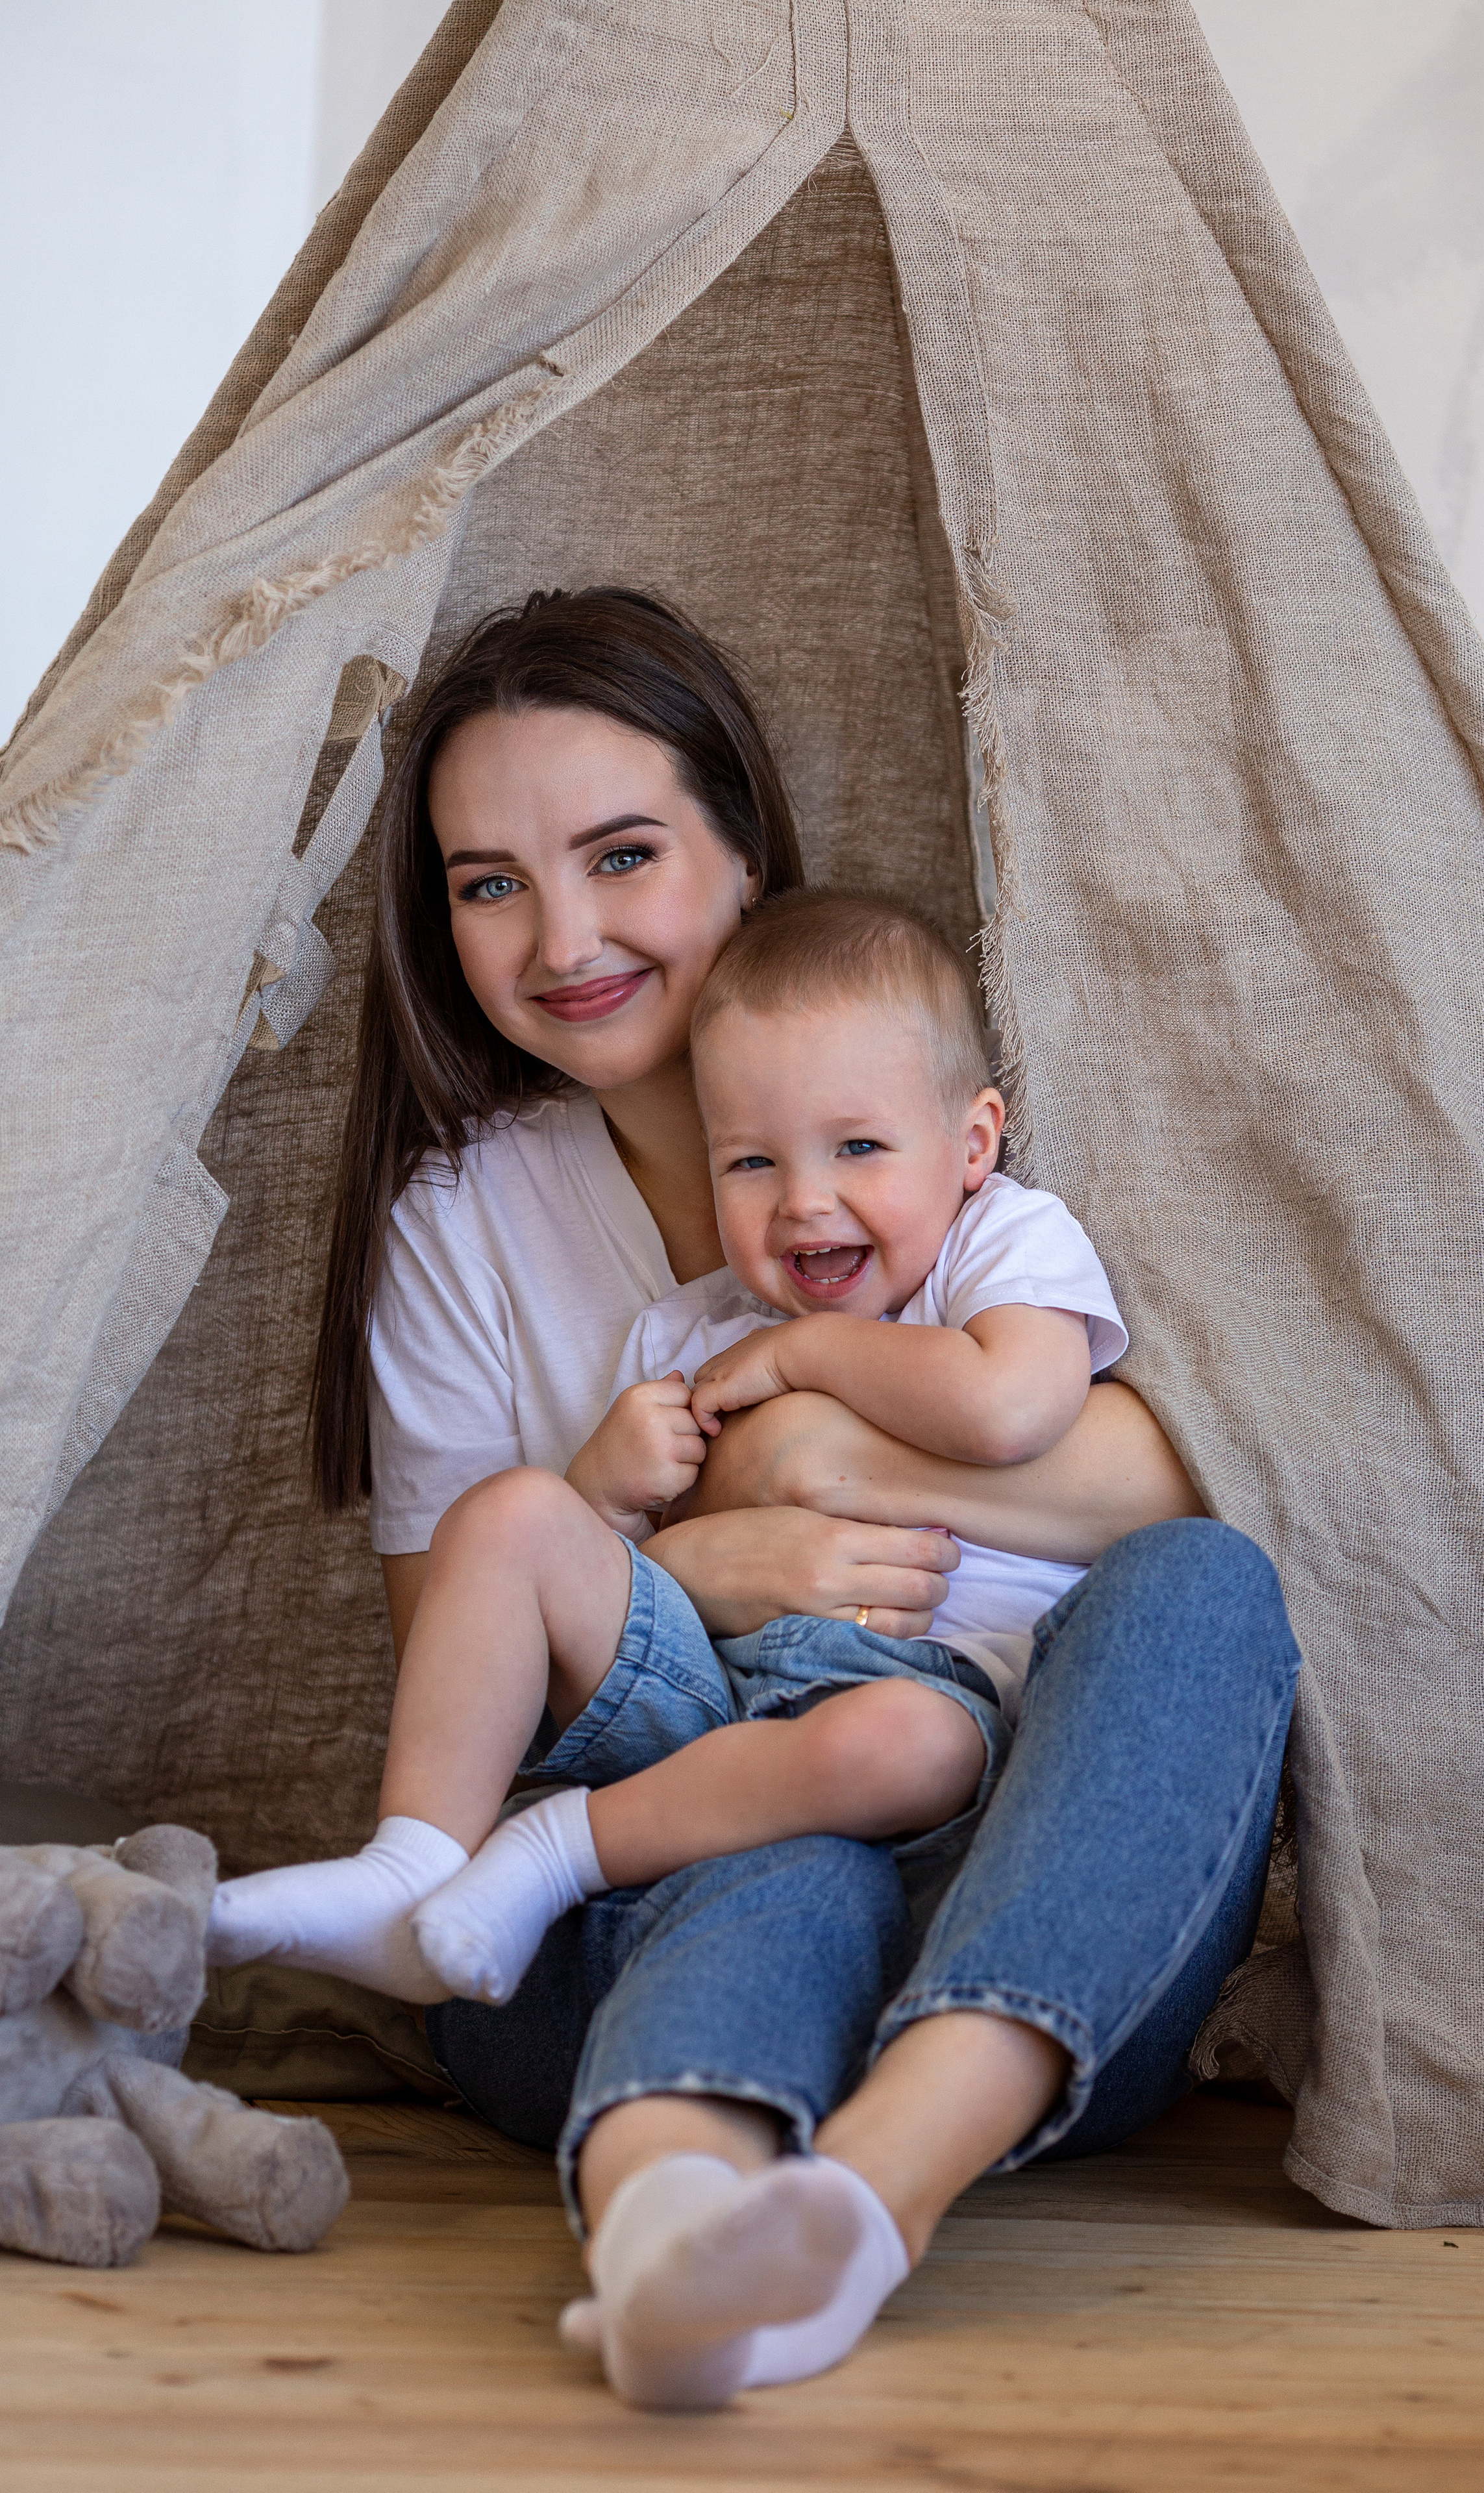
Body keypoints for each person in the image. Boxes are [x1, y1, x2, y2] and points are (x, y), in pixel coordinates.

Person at [266, 588, 1302, 2409]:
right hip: (636, 1900)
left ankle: (873, 2191)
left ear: (746, 852)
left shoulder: (931, 1155)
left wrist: (811, 1450)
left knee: (1205, 1583)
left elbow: (1162, 1480)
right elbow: (472, 1638)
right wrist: (714, 1549)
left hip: (1044, 1921)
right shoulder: (465, 1222)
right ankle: (680, 2234)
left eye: (622, 856)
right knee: (787, 1862)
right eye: (488, 881)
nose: (561, 934)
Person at [209, 891, 1130, 2012]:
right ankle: (411, 1869)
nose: (805, 1203)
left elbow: (1011, 1411)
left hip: (938, 1697)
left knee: (907, 1744)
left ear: (973, 1140)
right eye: (751, 1164)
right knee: (507, 1513)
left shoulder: (1000, 1243)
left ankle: (559, 1849)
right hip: (714, 1694)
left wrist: (810, 1359)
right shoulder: (692, 1335)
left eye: (858, 1147)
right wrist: (602, 1487)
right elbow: (590, 1590)